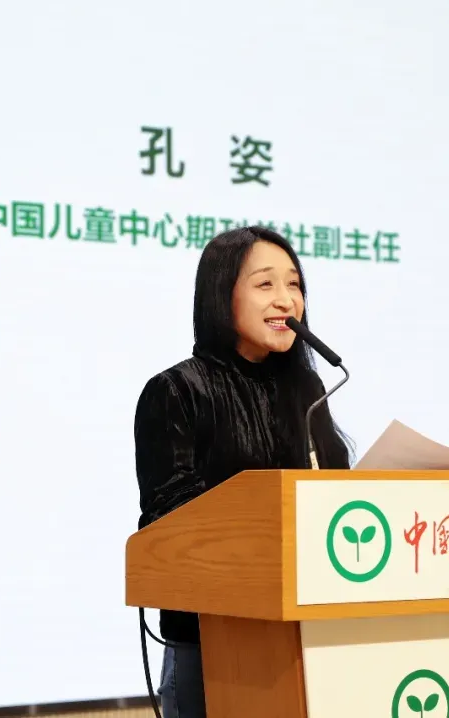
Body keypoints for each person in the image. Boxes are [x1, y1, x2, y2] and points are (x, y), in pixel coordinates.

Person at [133, 226, 352, 717]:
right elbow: (171, 519)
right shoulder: (177, 391)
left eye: (294, 284)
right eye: (265, 284)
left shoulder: (306, 389)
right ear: (221, 295)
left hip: (306, 633)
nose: (286, 300)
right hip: (210, 640)